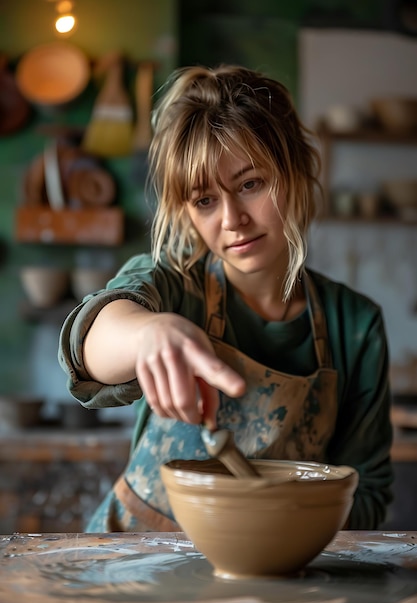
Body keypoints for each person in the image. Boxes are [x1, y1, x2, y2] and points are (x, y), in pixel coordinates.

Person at [58, 64, 393, 532]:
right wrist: (149, 333)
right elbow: (87, 341)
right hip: (135, 567)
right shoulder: (175, 283)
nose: (232, 218)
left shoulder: (354, 325)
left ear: (297, 169)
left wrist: (263, 520)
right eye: (205, 200)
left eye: (250, 184)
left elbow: (368, 492)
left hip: (273, 577)